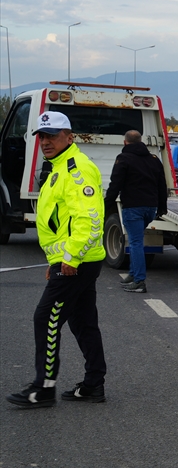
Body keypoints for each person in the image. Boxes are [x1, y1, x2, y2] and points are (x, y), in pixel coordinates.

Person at [7, 111, 108, 407]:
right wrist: (58, 261)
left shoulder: (77, 169)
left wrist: (70, 259)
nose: (46, 141)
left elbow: (89, 219)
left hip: (78, 261)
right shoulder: (58, 167)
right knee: (82, 321)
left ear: (69, 136)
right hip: (73, 260)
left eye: (52, 135)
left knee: (46, 318)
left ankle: (43, 388)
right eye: (42, 136)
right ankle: (93, 385)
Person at [105, 129, 168, 293]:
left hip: (133, 207)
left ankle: (139, 281)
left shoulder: (123, 159)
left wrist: (105, 206)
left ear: (125, 142)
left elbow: (115, 185)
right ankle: (132, 275)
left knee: (135, 243)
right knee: (137, 241)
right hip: (150, 207)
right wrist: (162, 207)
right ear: (141, 142)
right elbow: (162, 185)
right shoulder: (154, 160)